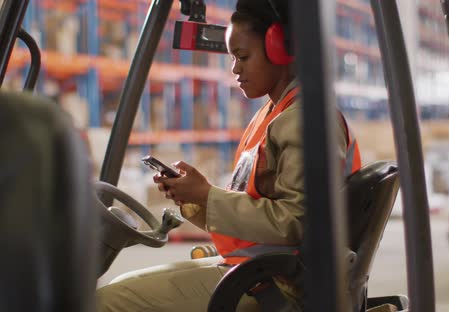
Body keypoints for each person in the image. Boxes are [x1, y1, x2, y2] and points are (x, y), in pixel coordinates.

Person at [96, 0, 360, 311]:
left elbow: (299, 221)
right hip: (262, 269)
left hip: (281, 285)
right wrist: (197, 198)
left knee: (107, 302)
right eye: (232, 57)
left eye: (243, 56)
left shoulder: (303, 119)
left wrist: (210, 195)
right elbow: (259, 212)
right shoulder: (276, 114)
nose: (234, 68)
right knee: (115, 289)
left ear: (280, 49)